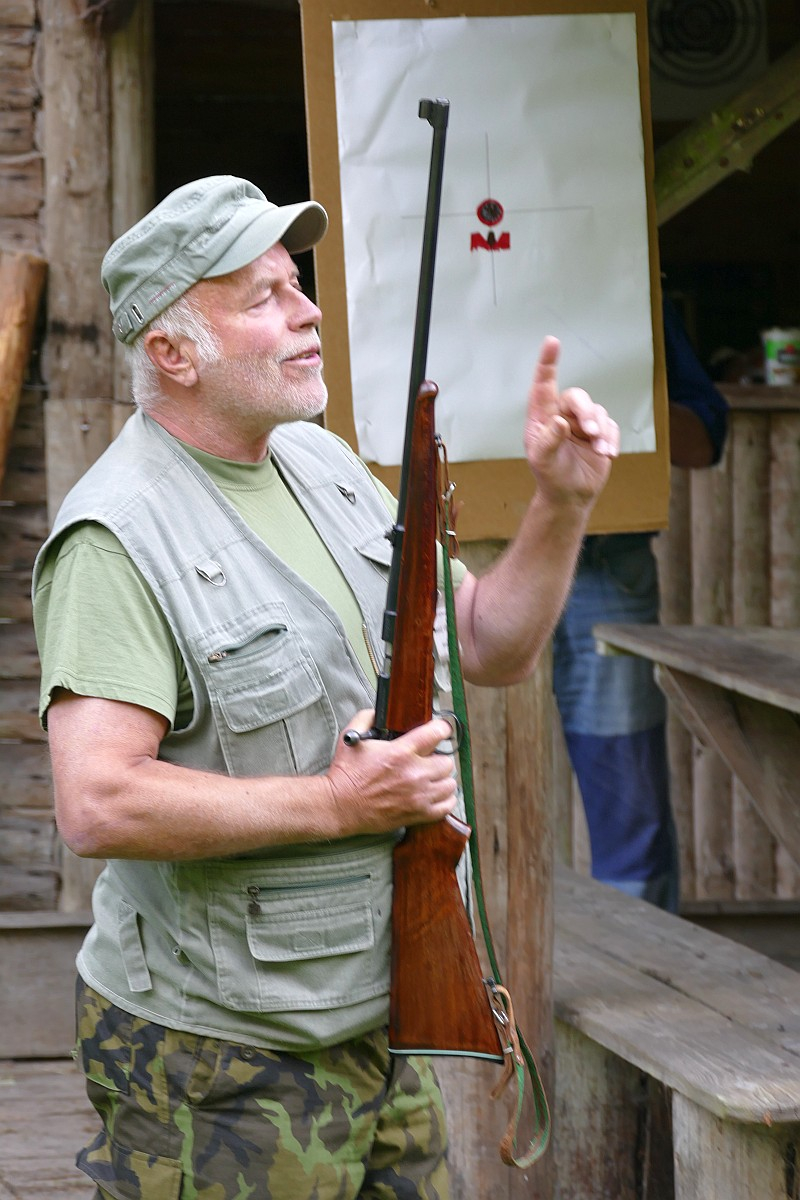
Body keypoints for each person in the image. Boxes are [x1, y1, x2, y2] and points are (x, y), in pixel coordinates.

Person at [33, 174, 619, 1200]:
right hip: (217, 1059)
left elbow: (488, 643)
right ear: (173, 353)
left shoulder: (322, 463)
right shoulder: (115, 536)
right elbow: (99, 802)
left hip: (376, 1023)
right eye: (263, 297)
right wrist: (342, 802)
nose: (307, 313)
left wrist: (561, 504)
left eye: (296, 284)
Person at [552, 294, 729, 913]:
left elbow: (705, 438)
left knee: (627, 808)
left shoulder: (625, 282)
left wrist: (623, 401)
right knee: (468, 796)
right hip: (465, 563)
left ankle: (647, 965)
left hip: (603, 563)